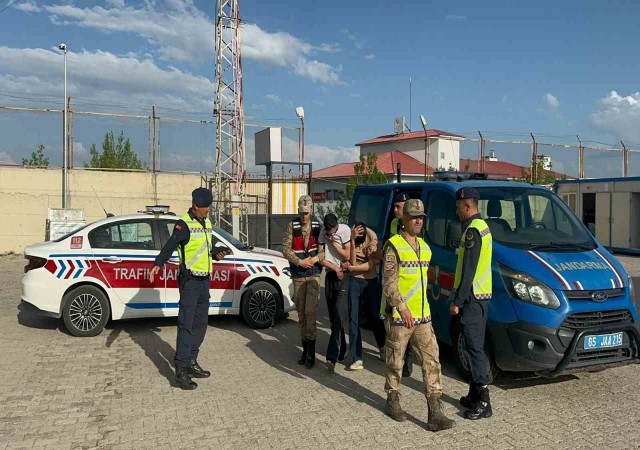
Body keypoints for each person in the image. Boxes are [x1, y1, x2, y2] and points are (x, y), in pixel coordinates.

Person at [381, 199, 455, 432]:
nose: (417, 220)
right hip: (401, 317)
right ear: (403, 219)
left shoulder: (425, 247)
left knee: (432, 360)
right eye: (413, 216)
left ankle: (434, 411)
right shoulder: (393, 245)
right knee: (396, 360)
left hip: (423, 317)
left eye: (421, 217)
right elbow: (389, 283)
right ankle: (392, 399)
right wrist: (401, 307)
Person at [149, 187, 228, 390]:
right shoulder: (183, 225)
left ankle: (192, 360)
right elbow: (169, 246)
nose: (208, 210)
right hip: (190, 282)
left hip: (204, 282)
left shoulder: (207, 223)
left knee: (201, 324)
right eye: (205, 207)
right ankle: (181, 370)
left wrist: (216, 253)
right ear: (195, 206)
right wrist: (158, 264)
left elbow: (205, 249)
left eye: (209, 206)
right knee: (186, 325)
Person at [449, 187, 494, 420]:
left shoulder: (472, 232)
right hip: (479, 296)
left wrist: (458, 300)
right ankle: (473, 394)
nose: (456, 211)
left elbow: (468, 270)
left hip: (473, 298)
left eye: (458, 207)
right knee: (470, 346)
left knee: (475, 349)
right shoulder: (481, 226)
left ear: (468, 206)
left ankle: (484, 402)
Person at [282, 195, 325, 369]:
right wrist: (300, 262)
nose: (304, 216)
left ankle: (311, 353)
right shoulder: (292, 225)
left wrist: (313, 260)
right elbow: (286, 249)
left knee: (311, 313)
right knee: (301, 313)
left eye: (307, 213)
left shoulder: (318, 227)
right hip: (299, 274)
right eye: (302, 212)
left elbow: (323, 252)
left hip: (313, 274)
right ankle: (305, 350)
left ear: (311, 211)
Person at [341, 221, 385, 368]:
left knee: (375, 316)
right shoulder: (351, 237)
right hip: (355, 281)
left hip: (370, 280)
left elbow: (370, 266)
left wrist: (352, 268)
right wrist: (353, 241)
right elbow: (352, 259)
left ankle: (383, 346)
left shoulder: (372, 237)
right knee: (354, 317)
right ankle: (356, 357)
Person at [318, 213, 351, 373]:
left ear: (337, 226)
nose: (329, 234)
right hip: (331, 274)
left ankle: (331, 358)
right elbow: (321, 257)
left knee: (338, 315)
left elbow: (347, 254)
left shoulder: (345, 231)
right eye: (328, 232)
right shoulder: (322, 231)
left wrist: (333, 242)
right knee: (333, 318)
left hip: (344, 277)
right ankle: (342, 348)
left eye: (332, 232)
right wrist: (335, 267)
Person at [389, 191, 415, 378]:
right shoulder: (393, 224)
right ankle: (401, 359)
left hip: (412, 284)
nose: (395, 209)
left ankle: (409, 359)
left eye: (399, 206)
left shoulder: (415, 225)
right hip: (396, 282)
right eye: (395, 206)